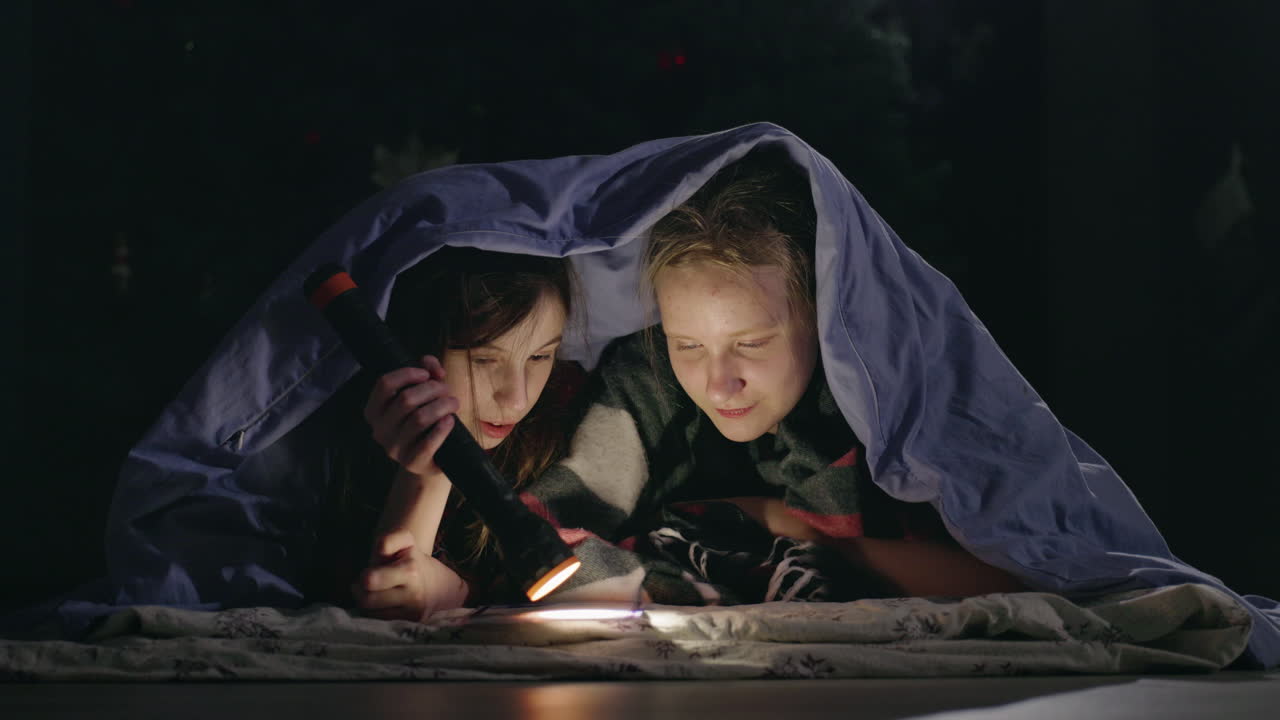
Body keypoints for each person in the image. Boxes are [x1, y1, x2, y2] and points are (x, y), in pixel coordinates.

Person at [318, 246, 582, 621]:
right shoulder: (331, 445)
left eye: (540, 356)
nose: (517, 398)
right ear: (412, 349)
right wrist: (426, 474)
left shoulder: (573, 414)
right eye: (484, 359)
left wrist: (458, 593)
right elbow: (380, 608)